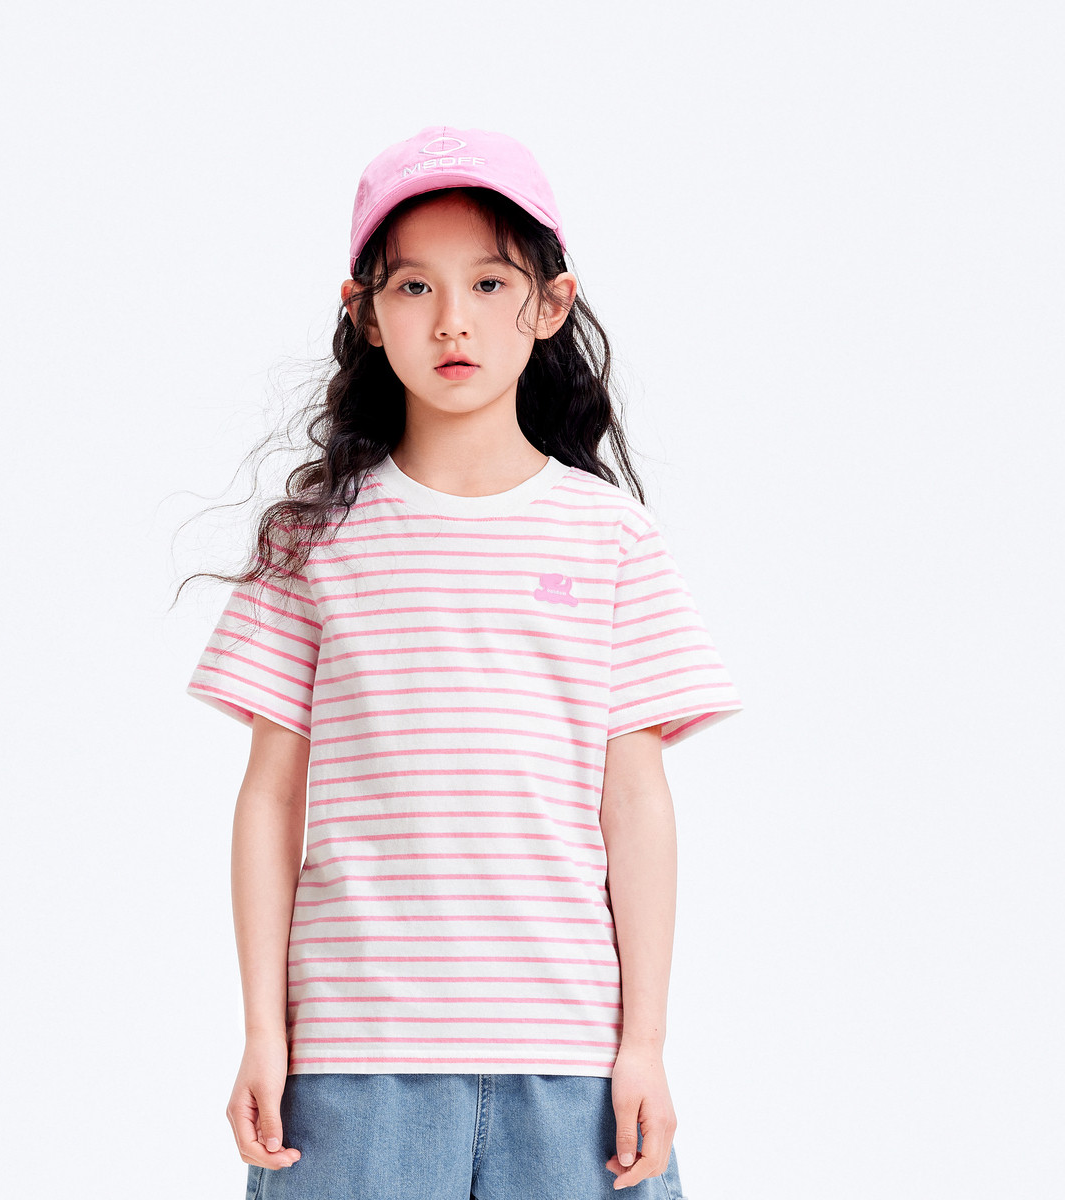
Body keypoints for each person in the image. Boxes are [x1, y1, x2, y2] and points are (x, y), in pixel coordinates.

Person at [182, 125, 744, 1199]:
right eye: (413, 286)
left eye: (489, 283)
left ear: (551, 303)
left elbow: (636, 800)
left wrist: (645, 1045)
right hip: (351, 1059)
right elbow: (270, 797)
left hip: (572, 1061)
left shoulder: (611, 538)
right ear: (364, 312)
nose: (453, 319)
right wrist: (262, 1032)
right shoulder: (312, 540)